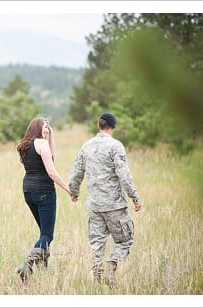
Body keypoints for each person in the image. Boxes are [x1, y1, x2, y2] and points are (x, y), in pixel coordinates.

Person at [68, 112, 142, 288]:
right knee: (125, 241)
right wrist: (135, 197)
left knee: (97, 245)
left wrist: (74, 192)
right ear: (113, 127)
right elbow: (124, 175)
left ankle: (98, 279)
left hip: (94, 205)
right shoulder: (116, 146)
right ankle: (112, 265)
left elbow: (77, 172)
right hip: (114, 204)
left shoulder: (86, 146)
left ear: (98, 125)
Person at [15, 117, 72, 283]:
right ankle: (29, 264)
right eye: (45, 127)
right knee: (47, 234)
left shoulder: (25, 145)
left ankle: (43, 267)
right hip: (44, 191)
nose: (47, 130)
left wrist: (51, 134)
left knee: (43, 233)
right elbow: (52, 171)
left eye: (48, 128)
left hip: (28, 191)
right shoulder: (42, 144)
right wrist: (68, 189)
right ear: (37, 128)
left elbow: (52, 156)